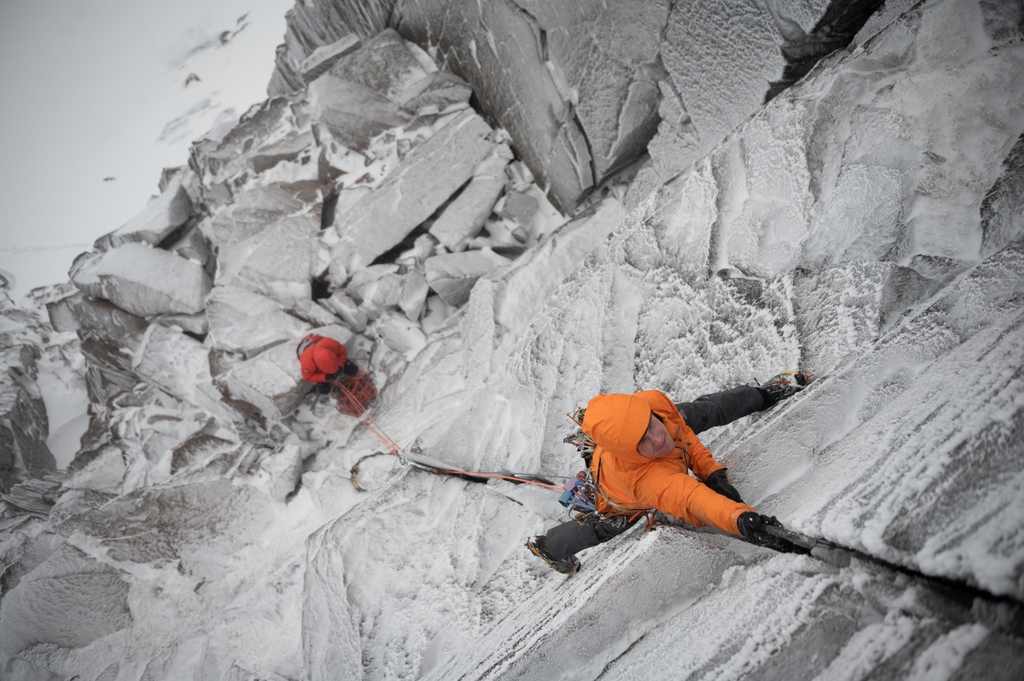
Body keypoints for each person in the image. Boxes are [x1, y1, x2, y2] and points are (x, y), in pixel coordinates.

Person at [526, 372, 811, 575]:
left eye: (651, 426)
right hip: (615, 491)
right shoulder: (648, 481)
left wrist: (710, 471)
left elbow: (681, 434)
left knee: (702, 411)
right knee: (605, 524)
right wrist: (742, 521)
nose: (658, 439)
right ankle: (548, 547)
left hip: (618, 445)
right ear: (629, 452)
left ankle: (764, 394)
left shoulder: (652, 403)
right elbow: (693, 499)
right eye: (643, 442)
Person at [296, 333, 377, 415]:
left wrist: (340, 365)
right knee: (324, 390)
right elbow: (307, 376)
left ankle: (343, 374)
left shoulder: (330, 344)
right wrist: (324, 377)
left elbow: (342, 352)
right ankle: (334, 389)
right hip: (315, 362)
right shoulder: (307, 362)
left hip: (323, 349)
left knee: (353, 369)